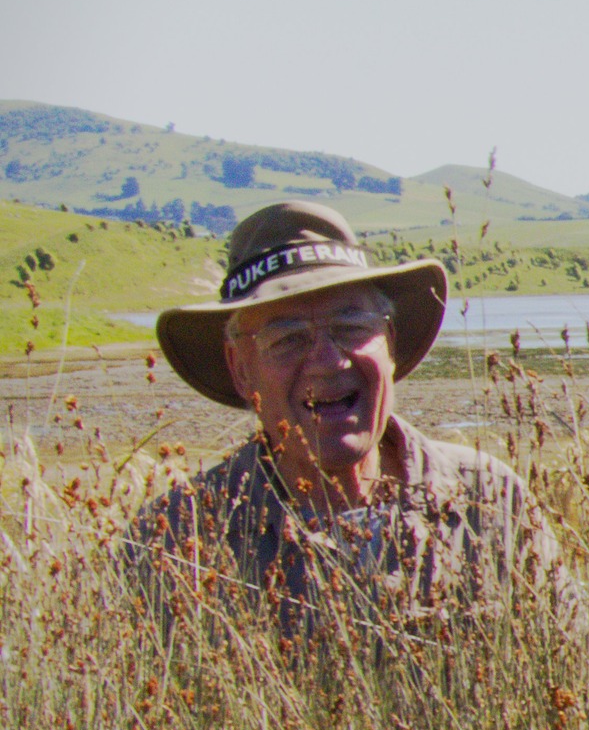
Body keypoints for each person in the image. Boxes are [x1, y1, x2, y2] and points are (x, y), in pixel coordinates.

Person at [129, 201, 565, 639]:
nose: (326, 361)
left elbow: (570, 669)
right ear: (241, 369)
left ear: (390, 342)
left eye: (351, 326)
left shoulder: (487, 499)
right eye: (287, 339)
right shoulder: (174, 540)